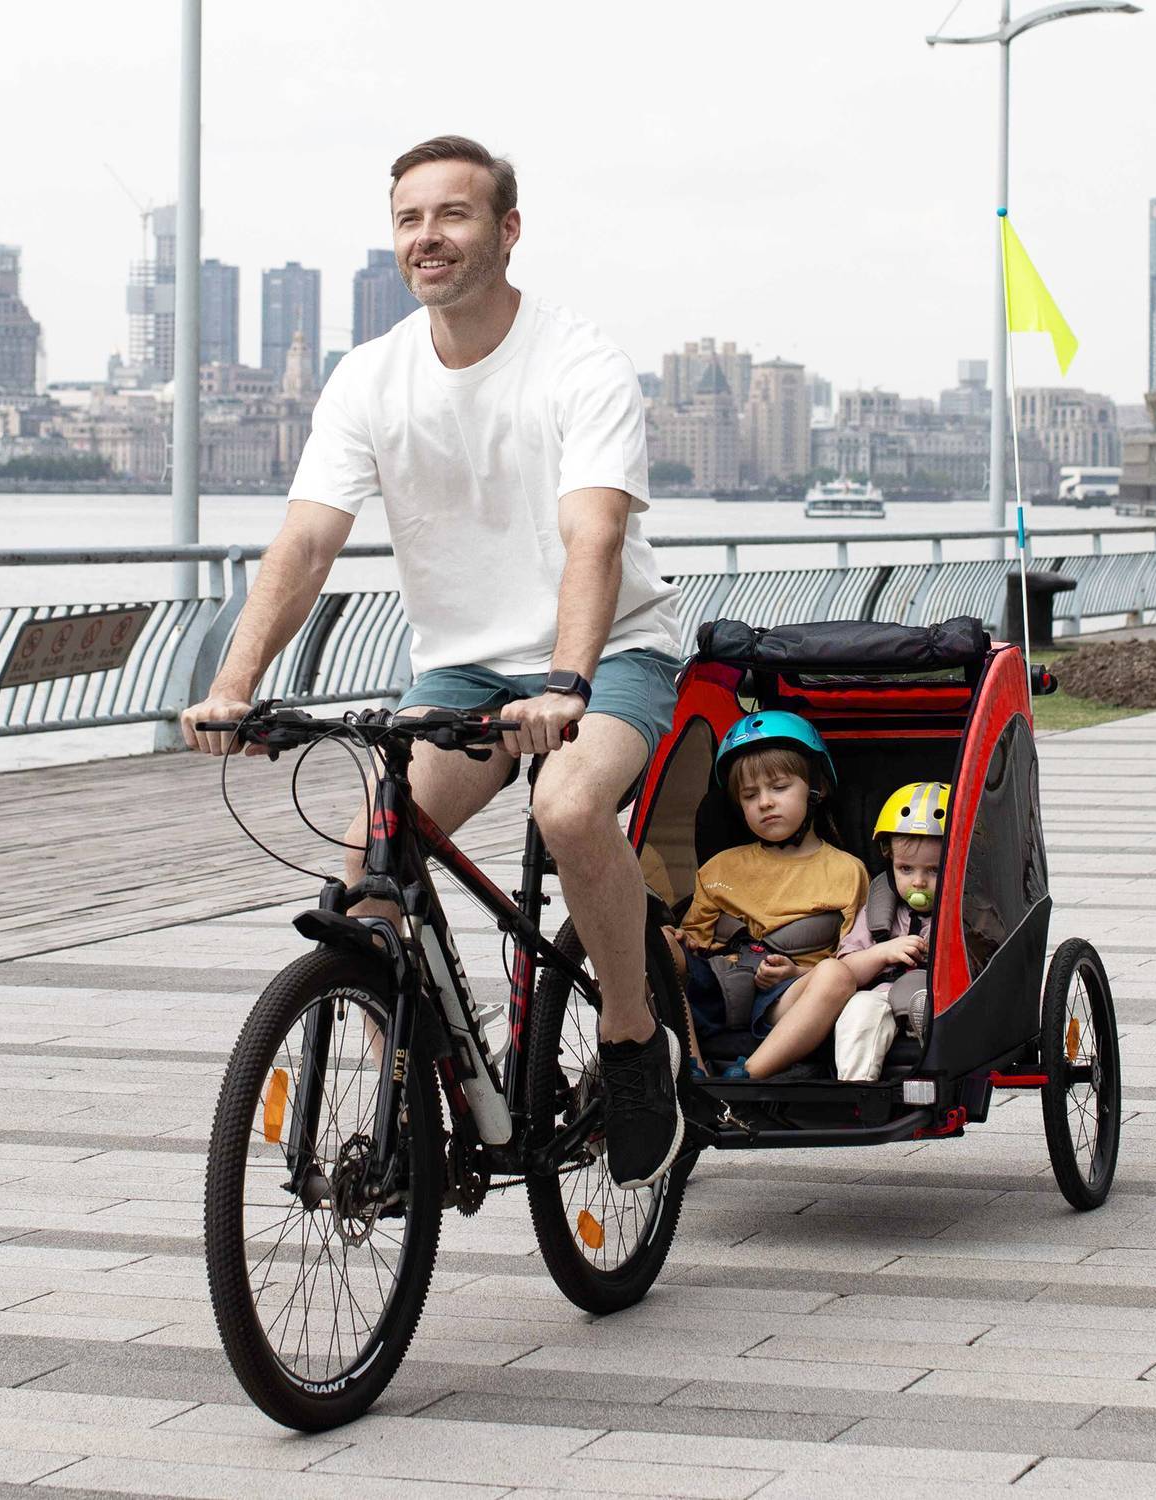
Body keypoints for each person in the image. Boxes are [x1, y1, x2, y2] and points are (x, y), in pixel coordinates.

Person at [181, 135, 687, 1191]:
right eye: (410, 219)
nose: (429, 237)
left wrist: (565, 681)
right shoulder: (370, 378)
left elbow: (593, 536)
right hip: (458, 671)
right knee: (372, 878)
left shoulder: (577, 359)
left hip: (609, 651)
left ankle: (636, 1044)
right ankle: (422, 1087)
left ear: (506, 230)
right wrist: (235, 684)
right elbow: (306, 544)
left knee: (568, 810)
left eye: (453, 216)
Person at [664, 712, 868, 1081]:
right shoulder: (719, 869)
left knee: (837, 975)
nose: (765, 803)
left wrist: (800, 972)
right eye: (750, 795)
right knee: (657, 943)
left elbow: (854, 954)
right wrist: (680, 941)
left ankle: (748, 1076)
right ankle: (691, 1067)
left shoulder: (846, 872)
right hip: (718, 984)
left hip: (788, 996)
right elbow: (695, 939)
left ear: (814, 788)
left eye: (779, 787)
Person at [834, 782, 947, 1083]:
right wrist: (882, 951)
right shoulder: (878, 912)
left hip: (936, 994)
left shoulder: (963, 914)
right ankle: (857, 1088)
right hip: (881, 993)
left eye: (934, 870)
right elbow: (846, 970)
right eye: (906, 869)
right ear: (890, 861)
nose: (919, 882)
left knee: (931, 1006)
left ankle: (934, 1067)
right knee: (859, 1012)